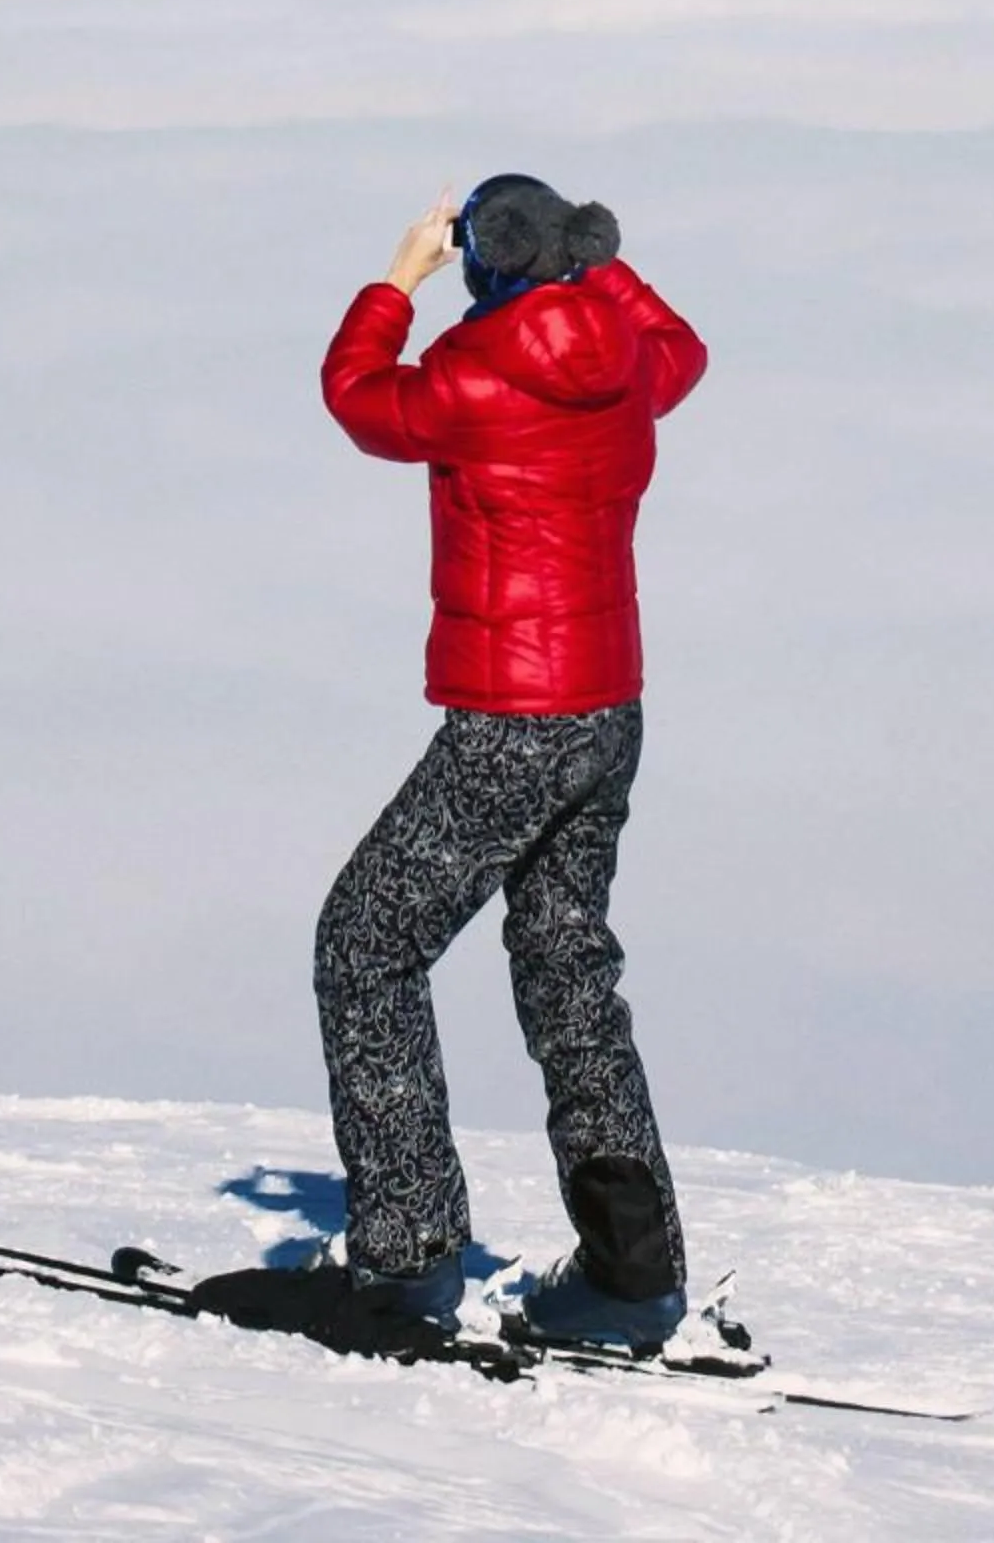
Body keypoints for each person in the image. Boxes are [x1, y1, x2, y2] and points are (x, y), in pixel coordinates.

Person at [314, 172, 708, 1350]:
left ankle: (407, 1259)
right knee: (568, 971)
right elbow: (681, 347)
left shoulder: (470, 379)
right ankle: (632, 1279)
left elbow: (356, 399)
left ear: (481, 261)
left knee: (368, 948)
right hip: (607, 715)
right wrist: (603, 268)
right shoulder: (628, 355)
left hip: (510, 723)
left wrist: (396, 279)